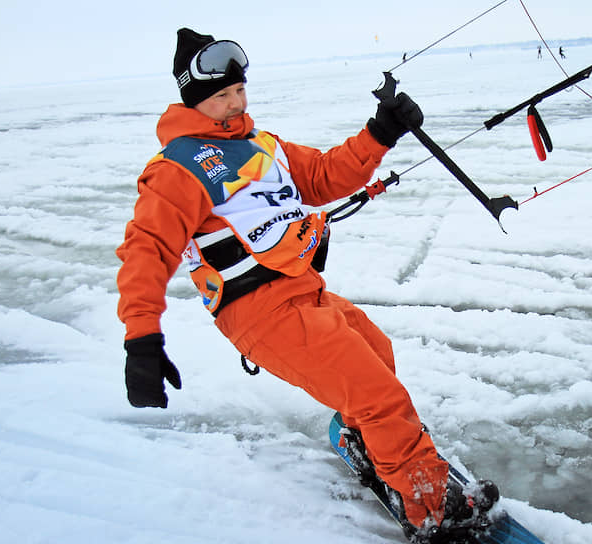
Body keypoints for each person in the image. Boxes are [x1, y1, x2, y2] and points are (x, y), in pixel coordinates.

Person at [116, 28, 494, 540]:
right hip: (259, 311)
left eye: (239, 91)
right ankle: (432, 511)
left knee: (377, 354)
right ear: (194, 100)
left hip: (301, 291)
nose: (234, 103)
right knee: (378, 396)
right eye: (221, 96)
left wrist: (379, 134)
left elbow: (321, 175)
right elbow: (147, 248)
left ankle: (371, 449)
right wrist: (142, 338)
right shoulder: (177, 169)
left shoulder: (262, 146)